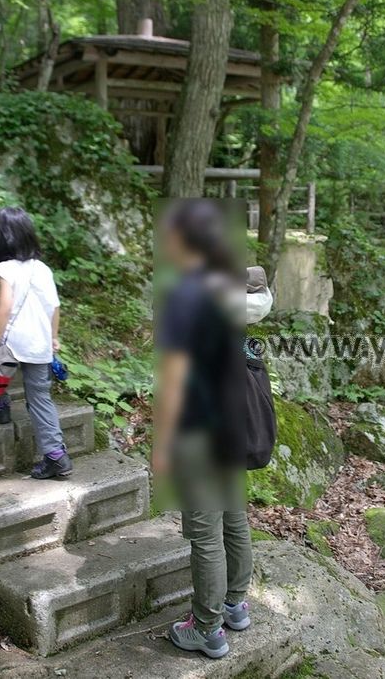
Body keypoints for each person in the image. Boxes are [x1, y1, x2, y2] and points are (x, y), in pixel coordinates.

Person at [151, 200, 252, 659]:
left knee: (206, 532)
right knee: (234, 517)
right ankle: (236, 605)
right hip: (234, 421)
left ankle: (206, 627)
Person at [0, 207, 72, 480]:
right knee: (40, 398)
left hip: (12, 341)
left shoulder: (5, 269)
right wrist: (53, 337)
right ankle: (57, 456)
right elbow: (54, 306)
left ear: (1, 238)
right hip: (39, 343)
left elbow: (4, 307)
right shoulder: (42, 269)